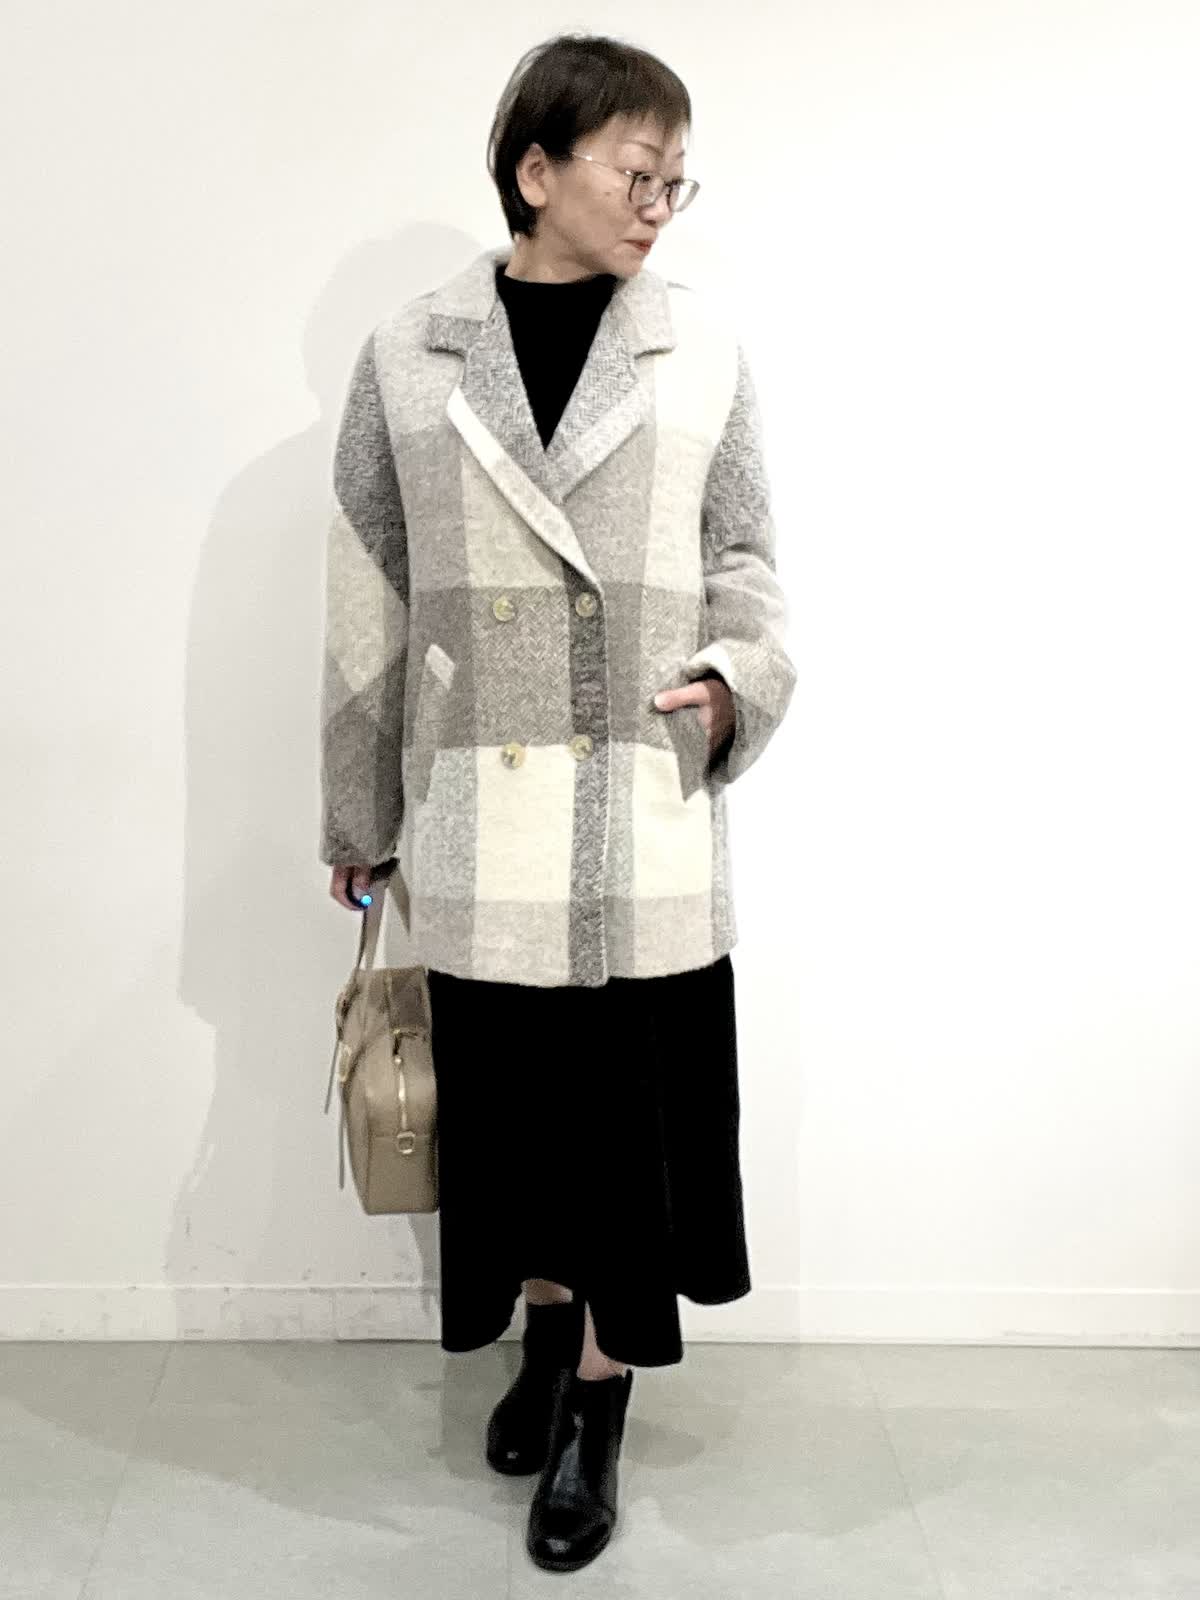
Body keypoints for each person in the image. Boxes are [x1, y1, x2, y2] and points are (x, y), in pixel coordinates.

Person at [318, 30, 796, 1575]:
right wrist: (358, 814)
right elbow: (368, 592)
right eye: (636, 171)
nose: (661, 202)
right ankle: (539, 1340)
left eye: (677, 179)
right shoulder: (412, 354)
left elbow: (748, 564)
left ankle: (598, 1400)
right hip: (482, 816)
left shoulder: (699, 350)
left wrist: (732, 683)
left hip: (639, 812)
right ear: (536, 170)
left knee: (628, 1146)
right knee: (515, 1133)